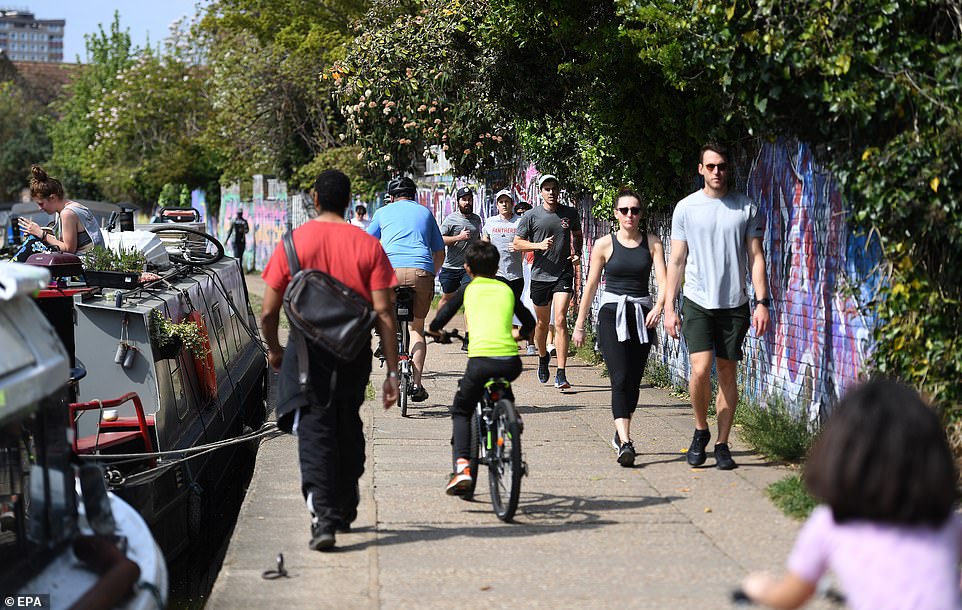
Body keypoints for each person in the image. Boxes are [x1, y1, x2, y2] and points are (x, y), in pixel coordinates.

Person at [260, 169, 400, 551]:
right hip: (353, 353)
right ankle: (345, 500)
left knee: (316, 429)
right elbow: (385, 313)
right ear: (347, 198)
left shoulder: (293, 243)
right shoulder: (368, 245)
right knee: (347, 421)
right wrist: (392, 371)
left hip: (307, 357)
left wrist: (274, 350)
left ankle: (324, 516)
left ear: (315, 199)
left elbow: (269, 312)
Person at [741, 380, 962, 609]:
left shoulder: (830, 524)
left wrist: (760, 588)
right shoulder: (946, 522)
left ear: (839, 453)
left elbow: (788, 598)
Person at [663, 143, 770, 470]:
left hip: (734, 303)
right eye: (710, 167)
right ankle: (700, 429)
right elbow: (677, 260)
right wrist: (669, 306)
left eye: (721, 166)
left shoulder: (746, 208)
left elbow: (755, 258)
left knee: (727, 372)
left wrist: (762, 302)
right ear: (700, 169)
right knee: (699, 369)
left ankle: (722, 444)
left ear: (729, 168)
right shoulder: (686, 208)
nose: (716, 172)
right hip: (697, 301)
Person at [427, 241, 535, 495]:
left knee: (461, 410)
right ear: (497, 266)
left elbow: (440, 319)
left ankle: (463, 467)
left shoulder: (468, 289)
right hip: (511, 361)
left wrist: (435, 332)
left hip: (480, 361)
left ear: (467, 268)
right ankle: (511, 418)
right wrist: (519, 335)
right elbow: (529, 322)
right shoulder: (506, 288)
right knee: (502, 383)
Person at [572, 188, 667, 467]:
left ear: (641, 214)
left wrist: (660, 308)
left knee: (634, 381)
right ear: (616, 213)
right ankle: (626, 442)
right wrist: (579, 325)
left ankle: (619, 430)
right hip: (612, 314)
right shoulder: (603, 244)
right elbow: (590, 287)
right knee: (620, 376)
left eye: (634, 210)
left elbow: (664, 282)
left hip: (641, 315)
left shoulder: (652, 243)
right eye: (624, 210)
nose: (629, 215)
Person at [367, 176, 445, 402]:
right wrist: (431, 273)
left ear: (391, 197)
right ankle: (417, 385)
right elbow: (439, 252)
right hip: (421, 270)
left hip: (389, 271)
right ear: (415, 195)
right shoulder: (425, 213)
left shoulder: (382, 212)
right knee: (416, 329)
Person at [513, 174, 583, 390]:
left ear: (558, 191)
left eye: (554, 188)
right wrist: (538, 246)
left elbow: (577, 234)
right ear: (540, 192)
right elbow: (517, 244)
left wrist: (577, 252)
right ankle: (543, 357)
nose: (551, 192)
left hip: (563, 272)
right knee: (542, 324)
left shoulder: (569, 213)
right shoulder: (531, 216)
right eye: (547, 189)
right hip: (540, 276)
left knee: (560, 320)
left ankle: (561, 373)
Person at [17, 165, 105, 255]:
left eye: (41, 203)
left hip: (88, 265)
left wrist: (41, 234)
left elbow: (69, 249)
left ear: (52, 198)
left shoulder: (67, 213)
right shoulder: (71, 208)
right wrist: (38, 233)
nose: (40, 208)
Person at [437, 186, 483, 350]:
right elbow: (439, 239)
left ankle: (468, 338)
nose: (467, 202)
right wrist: (459, 237)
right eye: (464, 199)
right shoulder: (451, 219)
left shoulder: (477, 219)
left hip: (468, 268)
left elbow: (478, 239)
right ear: (458, 202)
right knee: (447, 298)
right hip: (451, 267)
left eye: (469, 199)